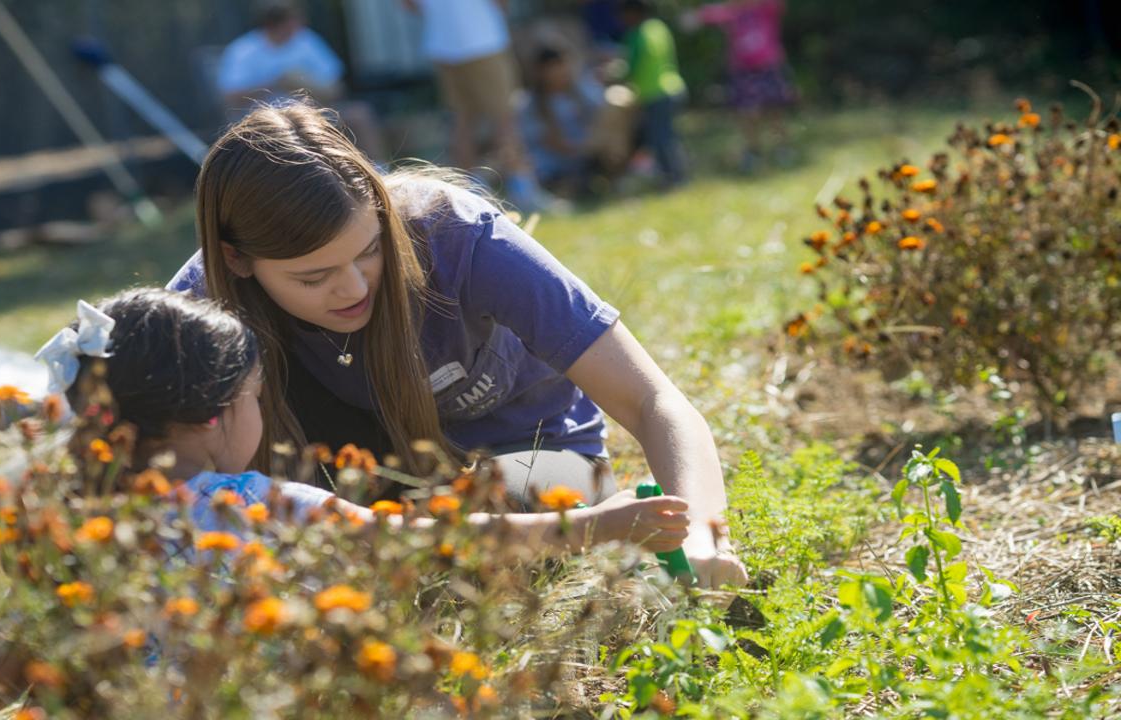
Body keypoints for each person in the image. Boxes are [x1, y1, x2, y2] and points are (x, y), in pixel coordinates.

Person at [168, 102, 748, 590]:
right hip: (359, 490)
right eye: (313, 278)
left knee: (491, 546)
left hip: (526, 463)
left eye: (370, 251)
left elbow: (653, 401)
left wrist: (699, 537)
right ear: (236, 261)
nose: (353, 287)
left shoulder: (456, 235)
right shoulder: (203, 302)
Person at [37, 288, 692, 552]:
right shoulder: (257, 506)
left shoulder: (68, 533)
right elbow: (430, 544)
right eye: (256, 397)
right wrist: (597, 524)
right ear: (213, 415)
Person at [401, 0, 552, 213]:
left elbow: (409, 6)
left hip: (442, 43)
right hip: (483, 39)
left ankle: (471, 194)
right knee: (504, 118)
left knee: (461, 122)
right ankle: (523, 191)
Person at [216, 0, 387, 162]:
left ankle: (379, 171)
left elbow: (336, 86)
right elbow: (231, 97)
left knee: (359, 114)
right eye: (293, 20)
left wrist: (308, 85)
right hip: (265, 119)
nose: (300, 24)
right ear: (274, 24)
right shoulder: (243, 50)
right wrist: (276, 83)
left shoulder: (306, 40)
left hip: (313, 111)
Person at [682, 0, 796, 171]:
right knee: (746, 113)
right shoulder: (731, 12)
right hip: (743, 70)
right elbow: (706, 15)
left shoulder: (766, 8)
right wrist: (694, 18)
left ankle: (782, 148)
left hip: (768, 65)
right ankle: (753, 151)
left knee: (774, 111)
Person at [518, 44, 607, 194]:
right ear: (541, 72)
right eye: (554, 67)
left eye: (563, 64)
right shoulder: (529, 104)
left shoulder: (582, 90)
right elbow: (552, 142)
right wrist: (582, 150)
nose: (561, 71)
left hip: (588, 154)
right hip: (554, 163)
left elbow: (604, 114)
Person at [618, 0, 689, 188]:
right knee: (668, 137)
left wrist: (615, 75)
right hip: (674, 87)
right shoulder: (658, 27)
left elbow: (631, 66)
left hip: (655, 93)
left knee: (660, 139)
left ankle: (673, 178)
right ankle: (677, 176)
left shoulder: (636, 34)